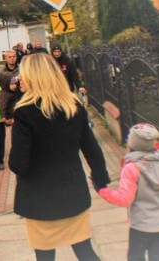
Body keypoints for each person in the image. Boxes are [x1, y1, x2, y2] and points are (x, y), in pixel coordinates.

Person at [8, 53, 110, 261]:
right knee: (85, 251)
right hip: (72, 190)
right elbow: (92, 150)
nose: (20, 80)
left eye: (23, 76)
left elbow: (19, 165)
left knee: (45, 257)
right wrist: (100, 180)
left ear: (34, 78)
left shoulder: (24, 114)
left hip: (39, 198)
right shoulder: (73, 107)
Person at [98, 124, 159, 261]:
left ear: (132, 144)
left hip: (140, 226)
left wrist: (103, 191)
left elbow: (125, 199)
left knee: (135, 257)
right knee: (158, 257)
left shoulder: (131, 168)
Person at [0, 50, 21, 127]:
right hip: (7, 98)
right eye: (9, 57)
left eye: (14, 56)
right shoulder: (2, 72)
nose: (12, 58)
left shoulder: (21, 69)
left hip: (19, 97)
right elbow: (1, 87)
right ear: (6, 58)